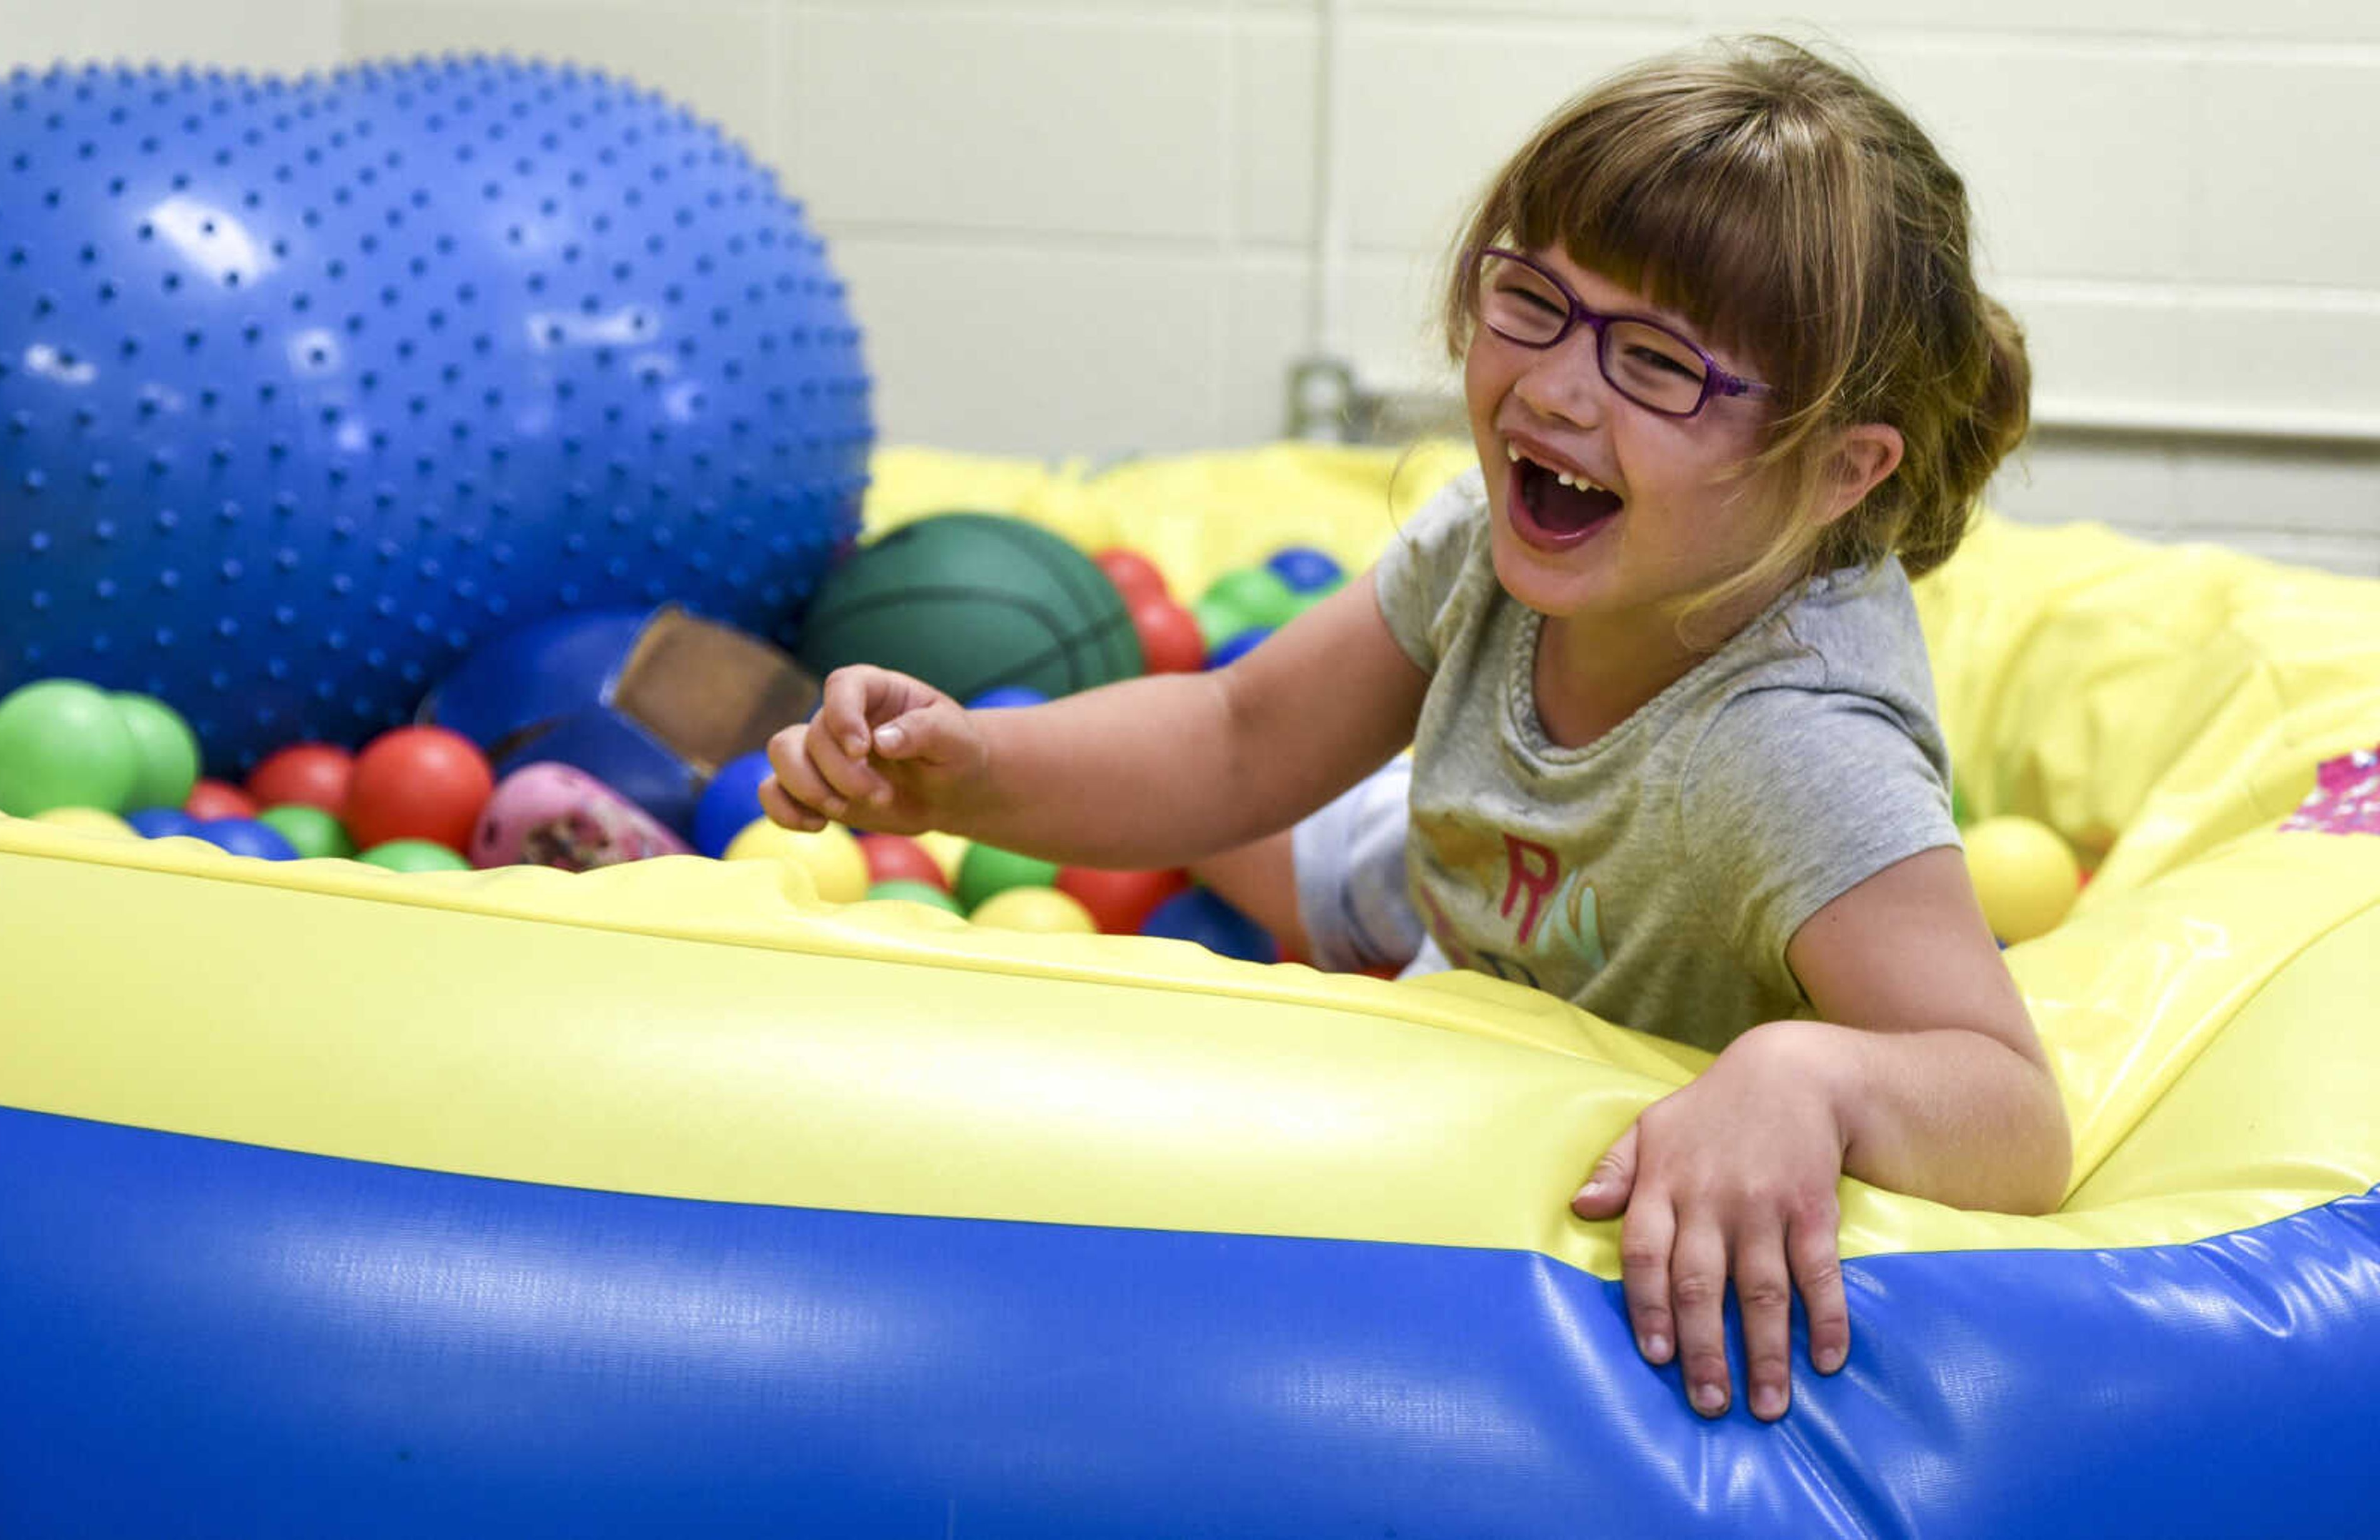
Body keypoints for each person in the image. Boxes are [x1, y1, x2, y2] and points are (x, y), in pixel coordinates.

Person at [761, 35, 2071, 1426]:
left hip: (1578, 965)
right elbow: (1233, 738)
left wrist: (1800, 1074)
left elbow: (2016, 1115)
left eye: (1657, 364)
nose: (1559, 390)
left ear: (1834, 469)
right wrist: (971, 774)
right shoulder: (1493, 544)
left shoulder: (1793, 753)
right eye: (1537, 302)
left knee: (1306, 845)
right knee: (1261, 824)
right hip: (1466, 900)